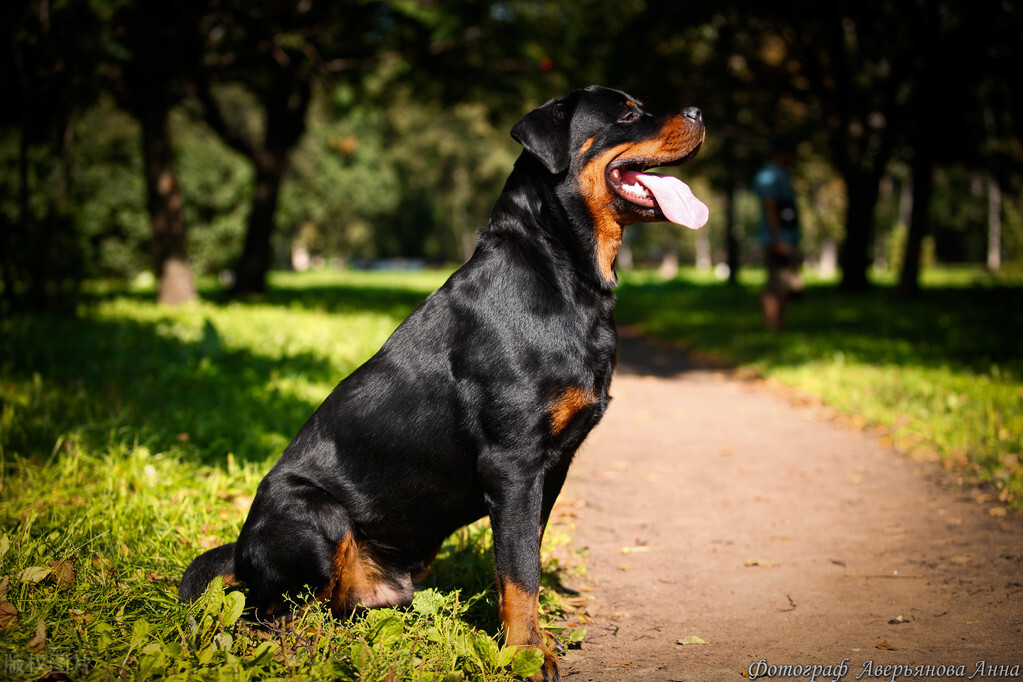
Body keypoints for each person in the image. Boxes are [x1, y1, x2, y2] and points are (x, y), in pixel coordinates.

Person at [754, 135, 803, 331]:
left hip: (787, 237)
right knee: (776, 285)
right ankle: (773, 328)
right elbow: (770, 207)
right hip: (777, 239)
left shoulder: (782, 174)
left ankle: (781, 326)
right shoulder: (769, 175)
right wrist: (778, 239)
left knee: (786, 285)